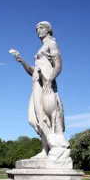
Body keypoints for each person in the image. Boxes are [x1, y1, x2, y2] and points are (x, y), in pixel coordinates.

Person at [13, 21, 65, 158]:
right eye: (36, 29)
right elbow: (32, 71)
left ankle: (52, 148)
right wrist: (22, 61)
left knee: (46, 116)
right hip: (36, 84)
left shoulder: (51, 43)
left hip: (45, 84)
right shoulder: (41, 48)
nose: (38, 31)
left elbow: (58, 65)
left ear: (48, 30)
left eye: (41, 28)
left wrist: (49, 81)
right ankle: (46, 149)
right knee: (33, 118)